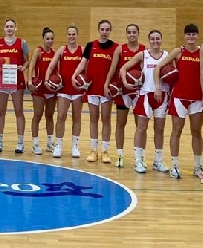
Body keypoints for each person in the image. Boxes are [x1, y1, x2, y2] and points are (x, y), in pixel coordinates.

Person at [153, 24, 202, 179]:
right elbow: (158, 67)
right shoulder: (178, 52)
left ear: (198, 36)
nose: (191, 37)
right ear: (184, 36)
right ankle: (175, 165)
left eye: (194, 34)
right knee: (177, 131)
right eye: (188, 34)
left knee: (196, 132)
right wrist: (157, 87)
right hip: (179, 98)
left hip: (197, 98)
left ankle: (197, 166)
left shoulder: (201, 52)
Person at [120, 30, 169, 174]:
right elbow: (124, 68)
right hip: (145, 95)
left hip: (162, 96)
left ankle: (158, 161)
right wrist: (126, 83)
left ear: (161, 40)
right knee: (141, 128)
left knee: (159, 129)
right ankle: (138, 160)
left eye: (158, 39)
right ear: (149, 40)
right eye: (152, 39)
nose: (155, 41)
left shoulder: (167, 56)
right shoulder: (143, 54)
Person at [72, 20, 118, 164]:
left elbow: (115, 67)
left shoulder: (116, 47)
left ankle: (105, 151)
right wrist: (74, 75)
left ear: (110, 30)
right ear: (99, 30)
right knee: (93, 118)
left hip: (106, 88)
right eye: (102, 29)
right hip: (92, 87)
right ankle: (93, 150)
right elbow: (83, 63)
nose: (105, 31)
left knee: (106, 119)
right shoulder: (91, 45)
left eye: (107, 29)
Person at [106, 23, 145, 168]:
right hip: (123, 92)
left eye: (134, 32)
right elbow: (113, 68)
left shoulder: (143, 50)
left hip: (138, 92)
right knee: (120, 124)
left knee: (140, 126)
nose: (132, 34)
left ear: (138, 33)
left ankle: (140, 157)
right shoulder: (120, 49)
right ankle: (120, 155)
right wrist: (107, 84)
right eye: (129, 32)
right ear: (126, 34)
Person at [45, 24, 83, 158]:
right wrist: (46, 80)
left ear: (77, 35)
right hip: (63, 90)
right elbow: (50, 67)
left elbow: (87, 69)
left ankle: (75, 146)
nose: (71, 36)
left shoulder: (82, 50)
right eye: (69, 34)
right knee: (61, 117)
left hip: (77, 90)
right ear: (67, 35)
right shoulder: (62, 50)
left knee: (77, 118)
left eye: (74, 34)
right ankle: (58, 145)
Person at [0, 19, 30, 153]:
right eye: (7, 26)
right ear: (4, 28)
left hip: (16, 80)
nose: (9, 28)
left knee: (18, 111)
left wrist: (24, 66)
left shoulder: (22, 43)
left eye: (12, 26)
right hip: (1, 80)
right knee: (0, 111)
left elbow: (27, 61)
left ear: (15, 28)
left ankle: (20, 143)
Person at [27, 27, 56, 155]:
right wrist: (29, 82)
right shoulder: (39, 51)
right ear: (43, 39)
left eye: (51, 39)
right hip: (39, 88)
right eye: (47, 38)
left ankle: (50, 143)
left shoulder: (55, 53)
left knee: (49, 116)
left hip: (50, 88)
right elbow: (31, 66)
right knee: (37, 115)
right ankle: (35, 144)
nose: (50, 41)